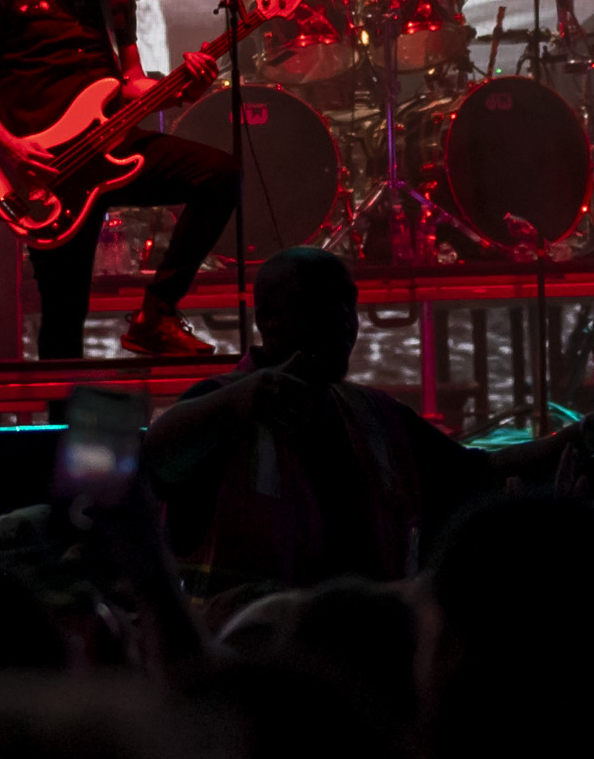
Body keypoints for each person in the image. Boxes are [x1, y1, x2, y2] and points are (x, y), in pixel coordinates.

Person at [0, 0, 234, 360]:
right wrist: (10, 148)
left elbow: (130, 83)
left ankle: (156, 314)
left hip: (111, 147)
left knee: (222, 176)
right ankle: (60, 412)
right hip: (47, 171)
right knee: (64, 322)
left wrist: (180, 86)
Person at [142, 245, 490, 583]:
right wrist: (235, 402)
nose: (342, 318)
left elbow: (474, 471)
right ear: (267, 320)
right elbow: (150, 461)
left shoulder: (374, 413)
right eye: (319, 303)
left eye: (348, 302)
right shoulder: (219, 404)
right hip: (244, 626)